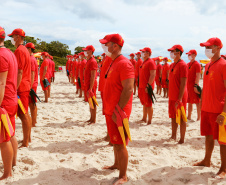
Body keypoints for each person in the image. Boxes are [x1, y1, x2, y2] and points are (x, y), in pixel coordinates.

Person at [100, 33, 134, 185]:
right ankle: (116, 164)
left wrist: (118, 111)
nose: (104, 47)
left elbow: (128, 89)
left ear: (115, 46)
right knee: (115, 142)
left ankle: (123, 175)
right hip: (110, 109)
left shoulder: (124, 63)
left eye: (106, 44)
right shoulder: (113, 61)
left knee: (120, 143)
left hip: (119, 111)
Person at [194, 37, 226, 179]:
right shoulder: (208, 65)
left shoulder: (224, 65)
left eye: (209, 47)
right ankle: (207, 160)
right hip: (206, 108)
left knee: (223, 141)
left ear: (218, 48)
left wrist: (224, 112)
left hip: (218, 110)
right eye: (205, 47)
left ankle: (223, 168)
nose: (206, 50)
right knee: (208, 136)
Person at [8, 28, 32, 147]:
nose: (12, 39)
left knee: (23, 114)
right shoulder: (23, 50)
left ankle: (26, 141)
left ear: (17, 37)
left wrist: (15, 89)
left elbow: (19, 72)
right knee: (25, 114)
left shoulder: (19, 51)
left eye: (13, 36)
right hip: (25, 84)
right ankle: (28, 138)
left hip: (21, 86)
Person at [0, 26, 18, 180]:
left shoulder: (0, 55)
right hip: (12, 99)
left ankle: (7, 173)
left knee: (3, 138)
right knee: (11, 134)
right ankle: (13, 164)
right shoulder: (10, 53)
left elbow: (1, 83)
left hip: (4, 101)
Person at [168, 45, 188, 144]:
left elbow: (183, 83)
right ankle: (173, 135)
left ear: (178, 53)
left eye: (173, 51)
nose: (171, 53)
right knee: (172, 116)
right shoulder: (172, 65)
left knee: (181, 118)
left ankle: (182, 138)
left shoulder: (183, 65)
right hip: (171, 95)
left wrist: (179, 99)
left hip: (180, 97)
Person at [138, 47, 156, 125]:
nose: (142, 53)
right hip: (141, 86)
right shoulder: (144, 62)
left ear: (148, 53)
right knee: (144, 103)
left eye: (143, 52)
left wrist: (148, 85)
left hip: (147, 86)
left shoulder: (151, 62)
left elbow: (153, 74)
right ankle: (144, 118)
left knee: (148, 104)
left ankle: (149, 120)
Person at [83, 45, 98, 124]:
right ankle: (91, 118)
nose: (85, 52)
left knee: (92, 101)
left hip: (91, 84)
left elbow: (93, 76)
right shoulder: (88, 60)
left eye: (87, 50)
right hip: (87, 83)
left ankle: (93, 119)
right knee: (89, 101)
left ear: (91, 51)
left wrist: (91, 88)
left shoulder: (93, 61)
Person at [25, 42, 38, 127]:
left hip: (32, 85)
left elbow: (32, 73)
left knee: (32, 104)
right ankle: (34, 121)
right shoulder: (32, 58)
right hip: (33, 84)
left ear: (29, 49)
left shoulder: (31, 59)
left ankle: (33, 122)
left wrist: (30, 87)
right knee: (32, 104)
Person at [186, 49, 201, 121]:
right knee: (189, 101)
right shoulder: (188, 64)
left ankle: (199, 117)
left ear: (194, 55)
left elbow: (198, 75)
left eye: (190, 54)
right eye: (188, 54)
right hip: (188, 85)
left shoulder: (197, 64)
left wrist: (195, 85)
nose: (189, 56)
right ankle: (189, 116)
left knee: (197, 102)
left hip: (193, 85)